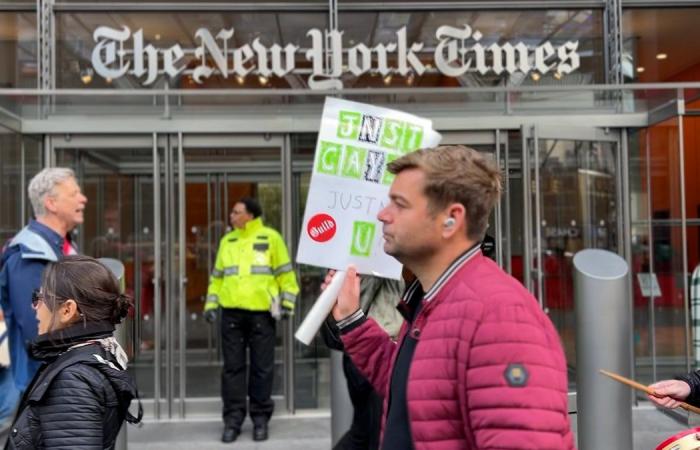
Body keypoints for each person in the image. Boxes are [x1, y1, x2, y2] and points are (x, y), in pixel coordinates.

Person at [328, 145, 574, 449]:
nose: (382, 214)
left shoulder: (501, 318)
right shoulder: (432, 298)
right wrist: (352, 320)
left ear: (451, 219)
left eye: (400, 204)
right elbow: (417, 385)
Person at [4, 255, 141, 450]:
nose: (35, 307)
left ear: (67, 310)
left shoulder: (73, 378)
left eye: (40, 297)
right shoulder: (95, 354)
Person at [203, 197, 299, 443]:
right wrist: (211, 305)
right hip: (231, 314)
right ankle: (233, 421)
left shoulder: (271, 238)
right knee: (232, 369)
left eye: (236, 212)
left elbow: (285, 274)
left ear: (251, 215)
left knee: (262, 368)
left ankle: (260, 420)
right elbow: (217, 278)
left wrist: (287, 303)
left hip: (262, 314)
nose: (232, 216)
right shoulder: (228, 241)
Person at [0, 168, 87, 395]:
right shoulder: (27, 254)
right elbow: (38, 331)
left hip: (64, 376)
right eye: (74, 193)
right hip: (45, 385)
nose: (83, 198)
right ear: (51, 203)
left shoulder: (63, 246)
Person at [322, 276, 404, 450]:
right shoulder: (381, 259)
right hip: (374, 347)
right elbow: (355, 302)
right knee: (372, 434)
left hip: (375, 346)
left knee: (363, 431)